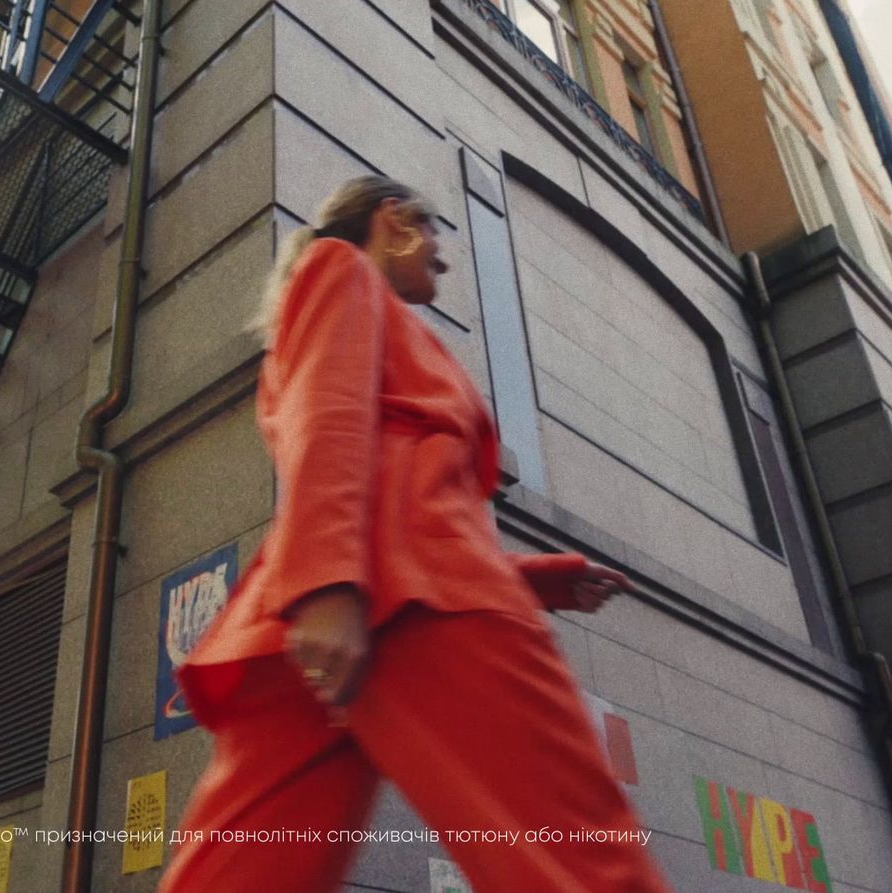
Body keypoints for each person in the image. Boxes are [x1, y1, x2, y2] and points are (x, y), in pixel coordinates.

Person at [159, 177, 674, 893]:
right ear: (393, 218)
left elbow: (387, 478)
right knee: (577, 858)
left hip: (324, 618)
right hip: (402, 606)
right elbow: (330, 416)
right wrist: (328, 582)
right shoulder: (342, 273)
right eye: (436, 233)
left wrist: (534, 577)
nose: (444, 257)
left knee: (239, 873)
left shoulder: (341, 298)